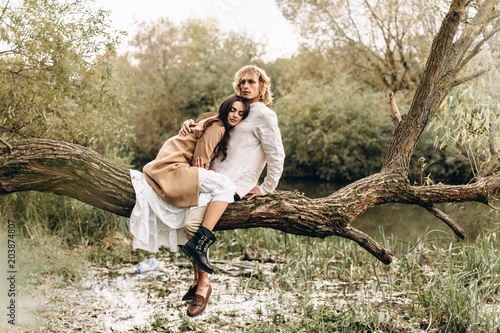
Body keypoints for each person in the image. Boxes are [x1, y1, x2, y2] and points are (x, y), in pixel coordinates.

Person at [179, 65, 286, 317]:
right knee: (179, 219)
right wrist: (190, 123)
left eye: (251, 82)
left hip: (232, 186)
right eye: (242, 83)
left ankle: (203, 285)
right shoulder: (239, 111)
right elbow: (213, 127)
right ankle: (197, 279)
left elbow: (277, 154)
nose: (245, 86)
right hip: (209, 179)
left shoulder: (265, 115)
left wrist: (266, 188)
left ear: (262, 86)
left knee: (191, 225)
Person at [128, 95, 249, 309]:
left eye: (241, 113)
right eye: (233, 110)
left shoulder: (210, 122)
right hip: (174, 169)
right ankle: (200, 246)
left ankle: (197, 278)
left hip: (164, 167)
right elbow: (200, 162)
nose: (236, 116)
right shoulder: (218, 127)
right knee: (228, 187)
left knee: (191, 217)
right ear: (225, 108)